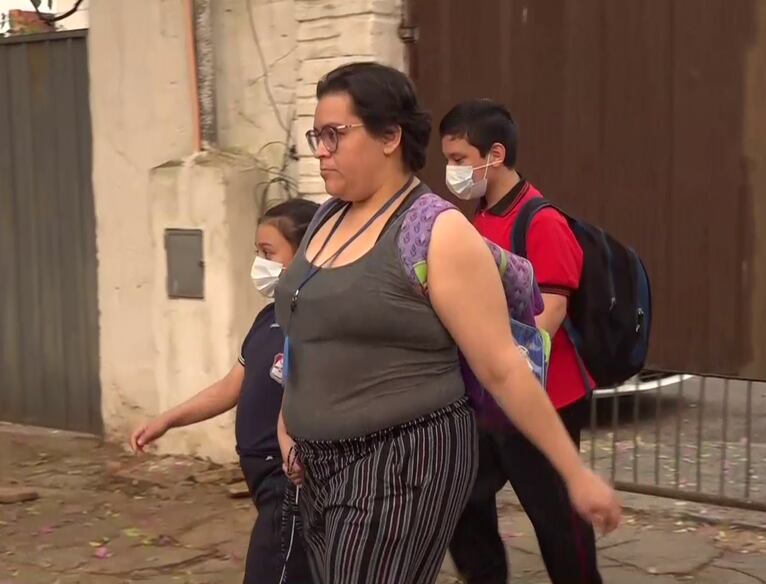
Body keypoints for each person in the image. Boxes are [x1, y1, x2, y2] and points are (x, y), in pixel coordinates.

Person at [274, 62, 620, 584]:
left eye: (335, 134)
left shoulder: (435, 232)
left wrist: (575, 474)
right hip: (319, 469)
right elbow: (307, 331)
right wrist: (289, 423)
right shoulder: (328, 216)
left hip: (398, 468)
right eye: (316, 135)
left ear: (390, 136)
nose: (320, 149)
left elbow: (504, 364)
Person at [440, 98, 603, 584]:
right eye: (447, 160)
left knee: (558, 521)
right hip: (491, 394)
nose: (451, 172)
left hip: (543, 398)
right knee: (462, 497)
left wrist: (500, 364)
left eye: (458, 160)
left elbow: (550, 312)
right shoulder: (480, 215)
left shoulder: (541, 220)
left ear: (495, 153)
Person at [129, 198, 319, 584]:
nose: (259, 264)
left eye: (268, 253)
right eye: (257, 252)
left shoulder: (315, 322)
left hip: (290, 480)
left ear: (304, 255)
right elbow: (233, 386)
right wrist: (167, 420)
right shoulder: (270, 316)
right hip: (263, 482)